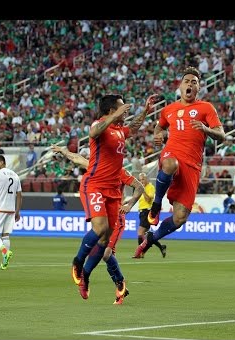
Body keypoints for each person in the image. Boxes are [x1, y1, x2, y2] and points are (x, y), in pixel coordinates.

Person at [69, 93, 157, 302]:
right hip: (95, 185)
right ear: (111, 110)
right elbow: (93, 132)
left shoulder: (119, 130)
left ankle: (86, 278)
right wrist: (116, 113)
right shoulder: (101, 125)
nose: (125, 112)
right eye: (121, 108)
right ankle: (78, 262)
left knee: (104, 240)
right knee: (99, 229)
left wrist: (145, 111)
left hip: (112, 192)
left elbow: (133, 129)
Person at [133, 66, 225, 258]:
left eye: (194, 82)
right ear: (180, 86)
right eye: (187, 81)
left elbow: (221, 135)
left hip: (192, 165)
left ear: (198, 88)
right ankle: (156, 205)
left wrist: (206, 129)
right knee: (169, 164)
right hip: (172, 154)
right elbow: (158, 129)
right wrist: (157, 136)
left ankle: (150, 240)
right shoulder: (169, 109)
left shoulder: (206, 108)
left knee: (180, 217)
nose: (190, 84)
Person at [51, 144, 144, 305]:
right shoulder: (100, 167)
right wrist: (64, 151)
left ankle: (119, 283)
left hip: (116, 217)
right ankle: (118, 285)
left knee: (106, 254)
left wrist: (129, 204)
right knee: (104, 253)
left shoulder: (120, 172)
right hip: (102, 216)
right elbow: (78, 159)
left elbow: (139, 186)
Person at [132, 172, 167, 259]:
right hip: (141, 212)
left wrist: (143, 190)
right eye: (140, 180)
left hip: (147, 212)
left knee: (141, 232)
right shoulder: (140, 188)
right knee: (148, 235)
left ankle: (140, 253)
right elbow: (137, 199)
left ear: (147, 179)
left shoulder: (150, 187)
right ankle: (161, 246)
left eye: (143, 179)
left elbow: (148, 200)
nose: (141, 181)